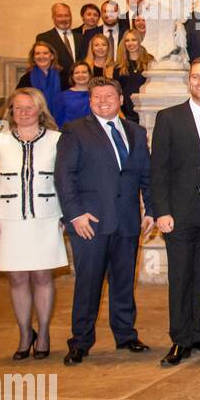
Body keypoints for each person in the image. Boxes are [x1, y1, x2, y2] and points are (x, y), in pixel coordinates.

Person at [55, 78, 154, 365]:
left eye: (108, 96)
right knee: (88, 284)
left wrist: (151, 209)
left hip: (127, 222)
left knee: (124, 282)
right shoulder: (75, 131)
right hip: (91, 223)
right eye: (96, 97)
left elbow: (145, 175)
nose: (102, 101)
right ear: (90, 101)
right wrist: (74, 214)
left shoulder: (136, 132)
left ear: (120, 99)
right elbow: (64, 177)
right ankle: (80, 341)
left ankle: (125, 335)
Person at [150, 58, 200, 366]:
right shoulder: (169, 118)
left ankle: (198, 333)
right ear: (189, 81)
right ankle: (180, 339)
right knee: (181, 276)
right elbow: (158, 170)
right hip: (180, 212)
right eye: (196, 77)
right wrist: (162, 211)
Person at [0, 88, 70, 359]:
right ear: (11, 112)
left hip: (46, 219)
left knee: (42, 276)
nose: (24, 113)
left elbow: (65, 182)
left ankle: (42, 332)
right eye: (18, 108)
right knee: (17, 278)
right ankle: (24, 332)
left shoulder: (57, 140)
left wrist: (66, 214)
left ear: (40, 110)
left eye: (29, 108)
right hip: (8, 221)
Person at [35, 3, 81, 85]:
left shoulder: (80, 37)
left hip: (79, 84)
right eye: (60, 16)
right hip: (56, 84)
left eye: (67, 15)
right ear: (53, 18)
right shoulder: (44, 38)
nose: (64, 19)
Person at [18, 41, 64, 117]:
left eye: (45, 53)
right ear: (33, 58)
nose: (41, 56)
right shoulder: (26, 79)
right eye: (37, 54)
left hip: (61, 120)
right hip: (34, 119)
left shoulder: (63, 76)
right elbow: (19, 100)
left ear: (52, 56)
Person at [113, 30, 151, 122]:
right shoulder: (118, 67)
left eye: (134, 40)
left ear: (140, 41)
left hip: (147, 109)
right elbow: (116, 91)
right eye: (127, 40)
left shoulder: (149, 62)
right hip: (126, 112)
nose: (130, 43)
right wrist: (120, 114)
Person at [55, 62, 93, 127]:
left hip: (94, 132)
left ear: (89, 75)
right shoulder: (63, 96)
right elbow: (58, 120)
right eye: (77, 73)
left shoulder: (96, 94)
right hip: (71, 133)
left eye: (84, 72)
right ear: (72, 76)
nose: (80, 75)